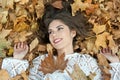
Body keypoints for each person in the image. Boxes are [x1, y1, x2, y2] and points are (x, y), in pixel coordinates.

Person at [1, 1, 119, 80]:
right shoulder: (41, 61)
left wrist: (114, 62)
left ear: (73, 32)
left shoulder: (87, 62)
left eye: (59, 29)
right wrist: (17, 59)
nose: (54, 35)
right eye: (51, 31)